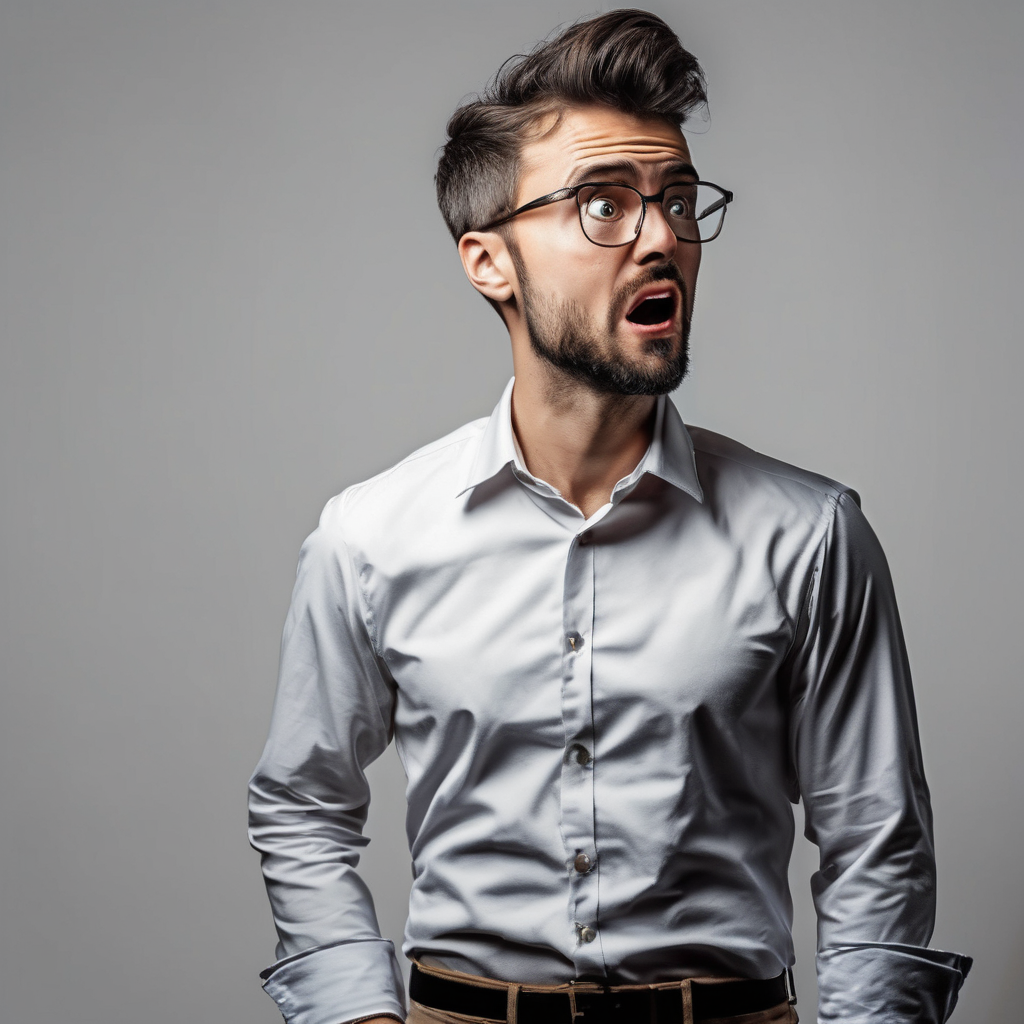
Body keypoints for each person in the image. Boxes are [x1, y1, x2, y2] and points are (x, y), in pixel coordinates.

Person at [248, 10, 972, 1024]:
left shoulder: (809, 535)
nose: (663, 235)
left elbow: (876, 840)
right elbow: (301, 801)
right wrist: (354, 1011)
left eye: (677, 198)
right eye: (603, 203)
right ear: (488, 261)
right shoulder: (369, 537)